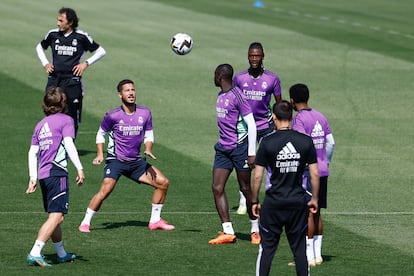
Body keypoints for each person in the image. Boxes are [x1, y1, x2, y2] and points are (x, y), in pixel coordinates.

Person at [78, 79, 174, 233]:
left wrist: (148, 148)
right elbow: (101, 133)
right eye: (127, 90)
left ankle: (155, 221)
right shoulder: (113, 115)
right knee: (106, 190)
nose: (131, 93)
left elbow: (149, 134)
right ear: (120, 95)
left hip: (136, 162)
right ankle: (85, 222)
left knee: (163, 183)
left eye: (133, 90)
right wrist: (100, 154)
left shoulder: (145, 113)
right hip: (116, 160)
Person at [252, 100, 320, 276]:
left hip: (274, 203)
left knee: (266, 249)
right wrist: (314, 199)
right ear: (292, 117)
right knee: (299, 250)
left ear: (274, 117)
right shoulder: (305, 141)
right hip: (297, 202)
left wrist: (254, 200)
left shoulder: (267, 142)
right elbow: (315, 174)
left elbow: (258, 175)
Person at [26, 87, 85, 267]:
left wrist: (33, 178)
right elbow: (68, 144)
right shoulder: (66, 120)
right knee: (57, 216)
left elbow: (32, 153)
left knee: (56, 216)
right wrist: (80, 168)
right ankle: (35, 252)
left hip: (44, 175)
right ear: (63, 103)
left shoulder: (40, 125)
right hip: (57, 172)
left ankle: (61, 253)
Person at [208, 64, 260, 245]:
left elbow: (251, 124)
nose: (213, 77)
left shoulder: (238, 96)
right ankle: (228, 231)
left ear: (221, 76)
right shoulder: (221, 95)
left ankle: (256, 230)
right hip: (223, 149)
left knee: (246, 188)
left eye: (215, 74)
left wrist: (251, 153)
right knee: (217, 187)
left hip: (240, 149)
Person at [36, 7, 106, 136]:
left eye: (61, 21)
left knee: (72, 113)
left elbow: (101, 51)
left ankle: (69, 144)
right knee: (51, 110)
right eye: (58, 20)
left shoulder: (81, 37)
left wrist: (86, 64)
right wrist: (45, 63)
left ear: (70, 22)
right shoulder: (53, 34)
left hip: (72, 81)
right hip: (54, 79)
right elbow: (39, 47)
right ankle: (53, 142)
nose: (58, 23)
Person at [233, 42, 282, 215]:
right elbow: (234, 102)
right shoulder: (239, 78)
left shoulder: (272, 79)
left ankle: (271, 199)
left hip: (265, 126)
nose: (254, 59)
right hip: (245, 128)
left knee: (269, 164)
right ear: (248, 56)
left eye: (257, 55)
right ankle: (243, 200)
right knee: (244, 164)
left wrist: (280, 125)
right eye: (251, 55)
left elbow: (279, 104)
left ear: (263, 57)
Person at [289, 83, 335, 266]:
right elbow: (331, 142)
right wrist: (326, 161)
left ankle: (307, 257)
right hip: (323, 170)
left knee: (307, 213)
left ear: (292, 101)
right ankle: (318, 255)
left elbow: (301, 145)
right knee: (317, 213)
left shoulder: (299, 120)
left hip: (309, 172)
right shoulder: (320, 116)